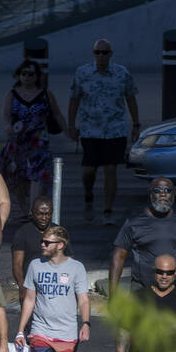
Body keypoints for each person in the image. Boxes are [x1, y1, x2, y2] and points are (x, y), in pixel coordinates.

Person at [66, 39, 140, 224]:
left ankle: (108, 210)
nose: (101, 56)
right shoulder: (83, 73)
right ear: (93, 54)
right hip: (91, 130)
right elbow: (74, 99)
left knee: (110, 168)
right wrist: (71, 125)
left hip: (115, 130)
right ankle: (89, 196)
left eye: (104, 52)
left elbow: (131, 98)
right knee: (88, 171)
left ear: (111, 54)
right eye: (97, 52)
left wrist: (136, 124)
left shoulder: (121, 73)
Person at [109, 177, 176, 294]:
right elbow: (118, 257)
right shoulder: (133, 223)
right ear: (150, 194)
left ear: (173, 194)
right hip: (143, 290)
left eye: (168, 190)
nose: (163, 194)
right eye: (158, 190)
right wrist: (112, 296)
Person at [0, 60, 64, 211]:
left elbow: (57, 114)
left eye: (31, 74)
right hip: (18, 142)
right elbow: (5, 114)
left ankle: (32, 210)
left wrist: (68, 129)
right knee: (19, 176)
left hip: (39, 142)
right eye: (23, 73)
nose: (27, 77)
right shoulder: (12, 94)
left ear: (37, 76)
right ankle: (23, 209)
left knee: (38, 175)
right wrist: (7, 126)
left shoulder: (46, 94)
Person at [10, 196, 60, 287]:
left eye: (47, 214)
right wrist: (22, 286)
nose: (44, 218)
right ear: (32, 213)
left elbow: (68, 260)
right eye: (40, 214)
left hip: (54, 284)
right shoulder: (23, 232)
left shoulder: (59, 233)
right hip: (30, 284)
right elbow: (17, 264)